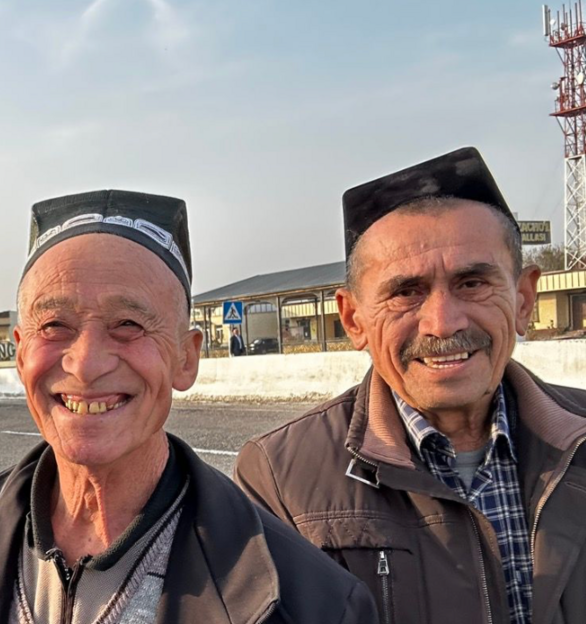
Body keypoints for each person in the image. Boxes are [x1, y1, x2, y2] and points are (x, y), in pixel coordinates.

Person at [0, 190, 377, 623]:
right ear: (22, 355)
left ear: (186, 358)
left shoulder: (309, 601)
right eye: (55, 324)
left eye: (128, 324)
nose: (85, 365)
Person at [234, 147, 586, 624]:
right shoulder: (279, 480)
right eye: (405, 292)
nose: (442, 323)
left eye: (472, 283)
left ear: (523, 299)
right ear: (353, 319)